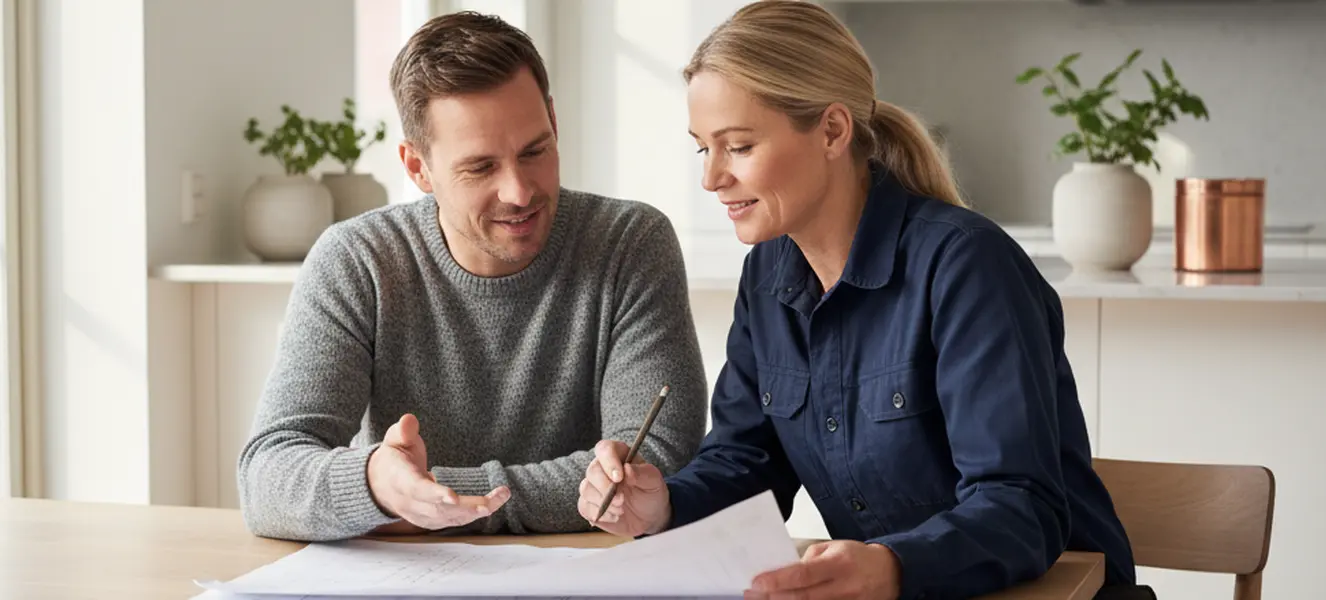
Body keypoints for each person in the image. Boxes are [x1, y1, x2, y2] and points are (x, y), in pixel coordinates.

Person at [577, 2, 1145, 599]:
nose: (711, 178)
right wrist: (663, 505)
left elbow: (1020, 505)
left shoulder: (967, 266)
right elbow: (747, 461)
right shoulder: (767, 275)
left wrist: (894, 566)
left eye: (738, 146)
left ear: (831, 130)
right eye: (703, 148)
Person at [237, 11, 708, 541]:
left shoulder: (629, 243)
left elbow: (654, 466)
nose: (519, 192)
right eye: (480, 167)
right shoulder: (358, 260)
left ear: (554, 121)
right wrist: (374, 484)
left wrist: (432, 496)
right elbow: (266, 477)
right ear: (417, 167)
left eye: (535, 151)